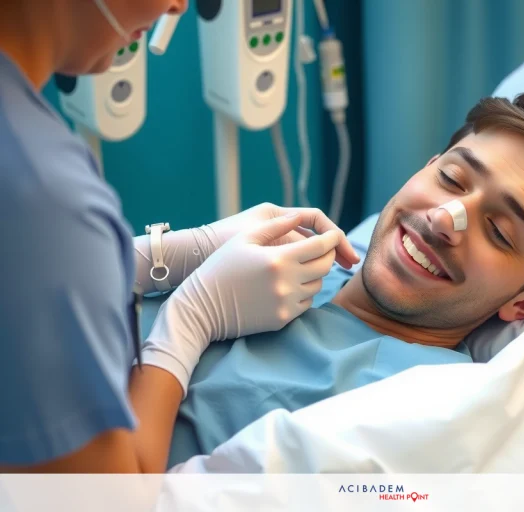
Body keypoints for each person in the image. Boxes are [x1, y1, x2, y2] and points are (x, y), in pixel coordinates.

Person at [157, 93, 524, 467]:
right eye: (451, 179)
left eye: (498, 231)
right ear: (424, 169)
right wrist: (155, 259)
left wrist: (190, 317)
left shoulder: (424, 408)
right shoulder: (273, 264)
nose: (444, 219)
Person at [0, 0, 358, 473]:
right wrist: (191, 318)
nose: (179, 5)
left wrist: (164, 257)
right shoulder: (45, 194)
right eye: (448, 176)